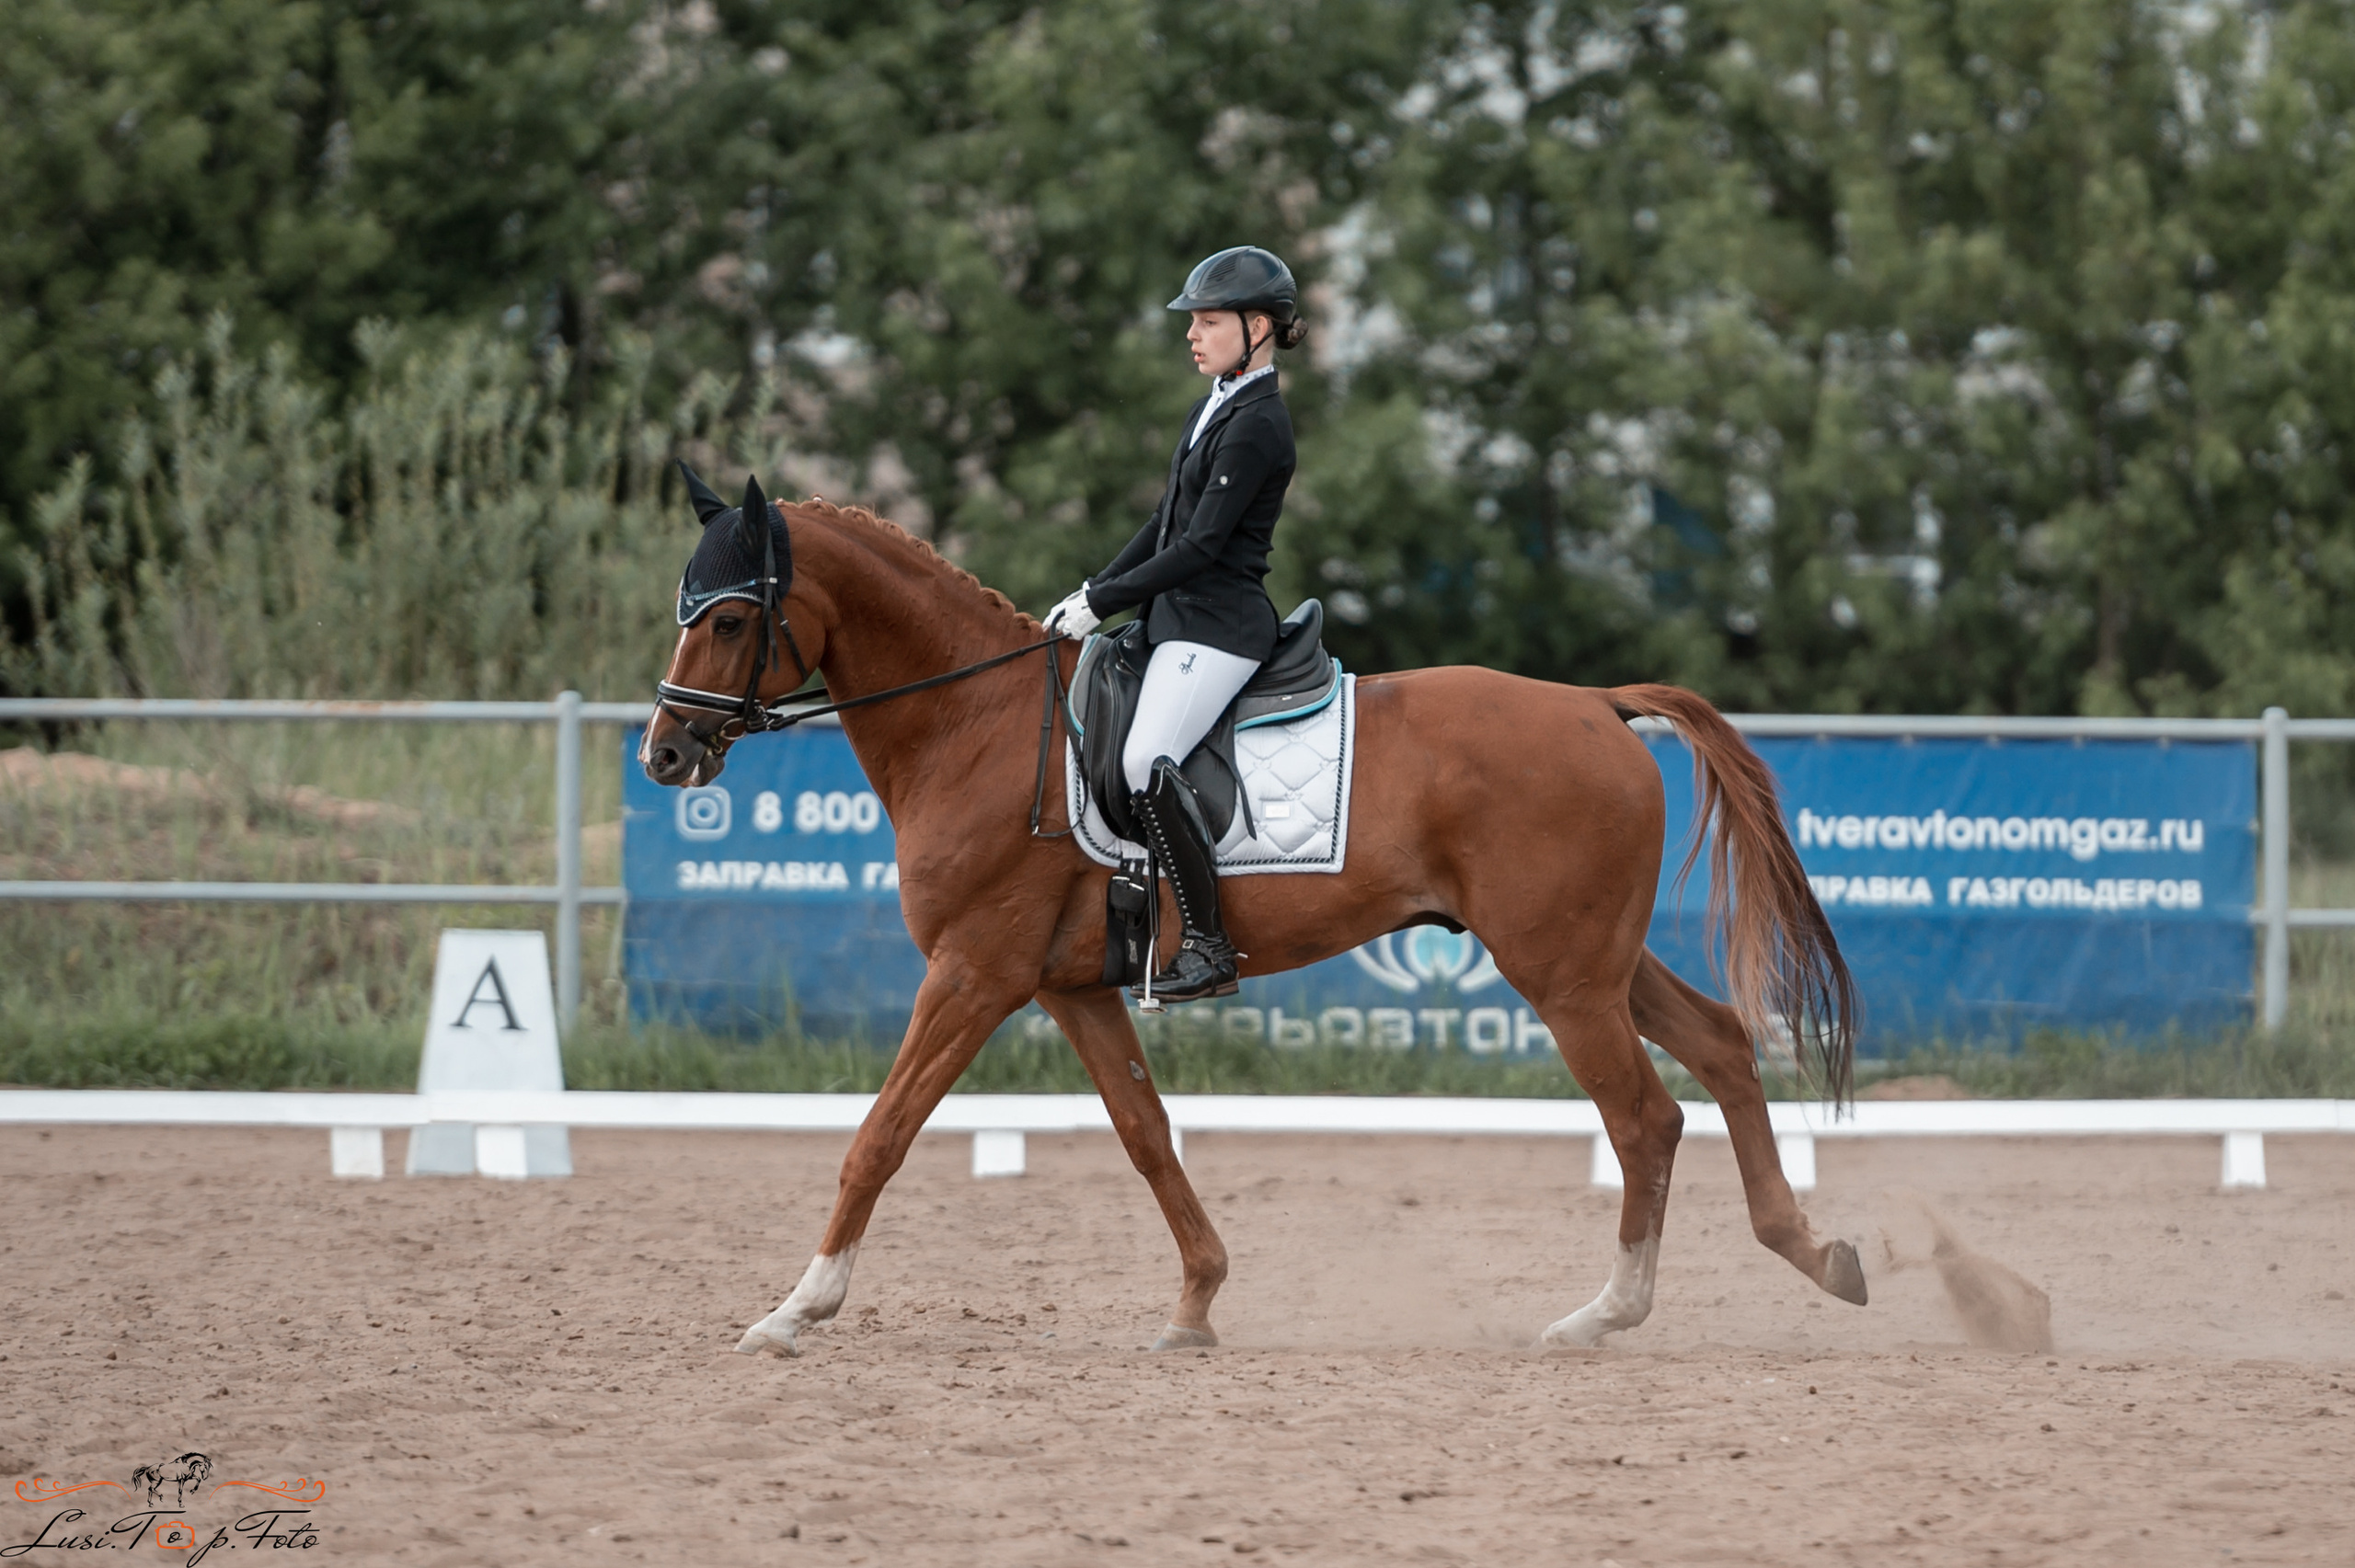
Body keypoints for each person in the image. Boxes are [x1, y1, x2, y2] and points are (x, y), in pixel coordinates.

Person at [1041, 245, 1309, 1002]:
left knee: (1143, 758)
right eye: (1192, 321)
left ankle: (1208, 943)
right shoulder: (1214, 406)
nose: (1193, 334)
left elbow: (1198, 549)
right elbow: (1164, 524)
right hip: (1175, 619)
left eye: (1209, 321)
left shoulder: (1259, 423)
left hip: (1219, 626)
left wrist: (1108, 601)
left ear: (1258, 326)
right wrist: (1095, 588)